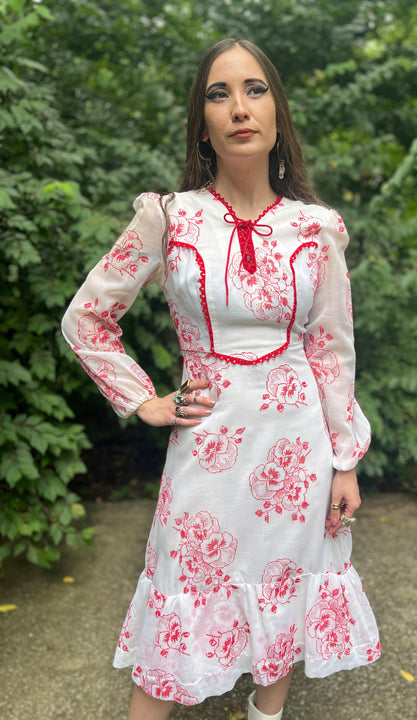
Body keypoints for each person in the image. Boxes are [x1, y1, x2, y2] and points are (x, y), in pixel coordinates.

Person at [62, 38, 380, 720]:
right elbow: (86, 319)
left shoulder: (315, 229)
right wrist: (143, 399)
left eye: (255, 90)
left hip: (299, 451)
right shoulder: (170, 218)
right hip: (207, 448)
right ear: (202, 119)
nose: (239, 107)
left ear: (277, 111)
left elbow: (331, 349)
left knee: (287, 595)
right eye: (219, 93)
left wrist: (344, 459)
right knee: (178, 612)